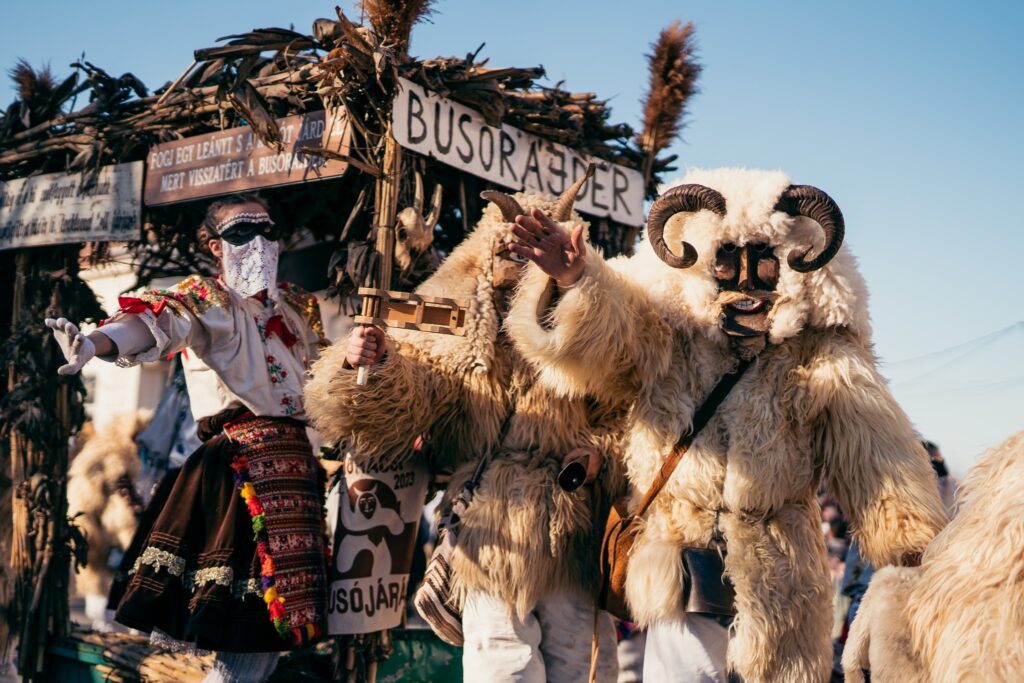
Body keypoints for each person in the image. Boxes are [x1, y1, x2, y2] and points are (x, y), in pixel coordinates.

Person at [506, 168, 948, 682]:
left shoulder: (821, 352)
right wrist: (576, 279)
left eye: (764, 260)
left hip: (780, 575)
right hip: (683, 559)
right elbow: (612, 331)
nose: (745, 280)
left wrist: (911, 552)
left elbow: (877, 455)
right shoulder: (668, 336)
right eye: (727, 260)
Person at [304, 180, 625, 682]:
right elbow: (416, 388)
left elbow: (628, 409)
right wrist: (374, 362)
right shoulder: (455, 323)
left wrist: (599, 453)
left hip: (573, 523)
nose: (518, 274)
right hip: (488, 521)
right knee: (503, 662)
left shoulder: (595, 330)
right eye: (511, 257)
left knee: (581, 665)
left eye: (535, 260)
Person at [47, 194, 329, 683]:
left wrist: (363, 360)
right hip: (241, 477)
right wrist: (94, 343)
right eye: (240, 233)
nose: (258, 243)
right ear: (214, 247)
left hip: (297, 473)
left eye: (267, 231)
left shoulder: (301, 306)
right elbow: (152, 323)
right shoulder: (204, 298)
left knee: (268, 643)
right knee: (242, 638)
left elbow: (330, 380)